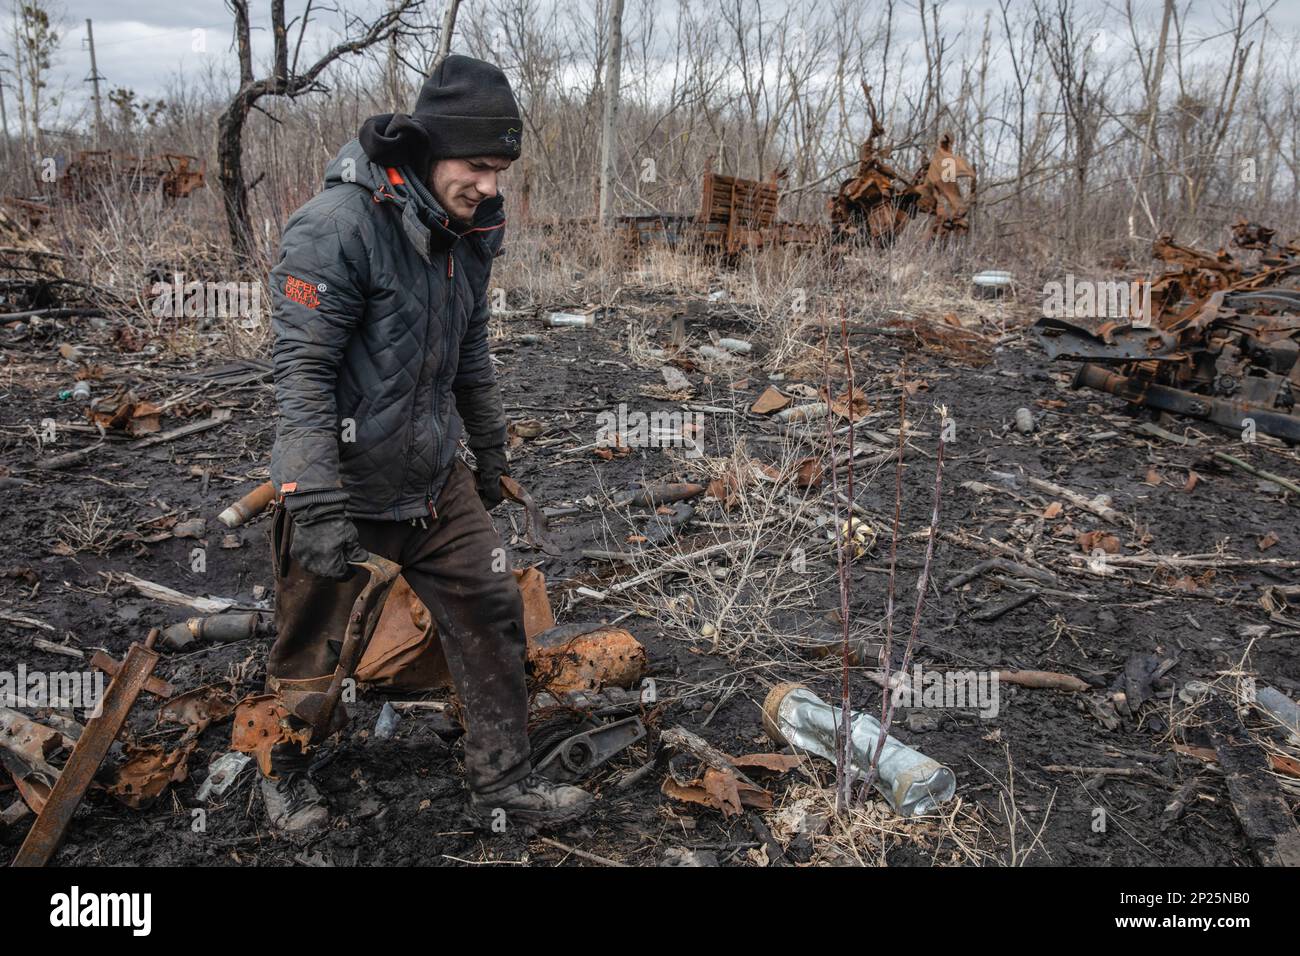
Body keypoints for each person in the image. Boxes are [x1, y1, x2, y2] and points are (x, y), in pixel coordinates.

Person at [259, 54, 593, 836]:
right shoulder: (336, 227)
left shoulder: (467, 231)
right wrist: (311, 496)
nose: (491, 186)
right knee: (313, 644)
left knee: (490, 606)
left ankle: (501, 782)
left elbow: (470, 352)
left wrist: (491, 453)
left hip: (434, 475)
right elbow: (300, 372)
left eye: (502, 170)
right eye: (478, 166)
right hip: (345, 479)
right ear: (427, 149)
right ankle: (282, 770)